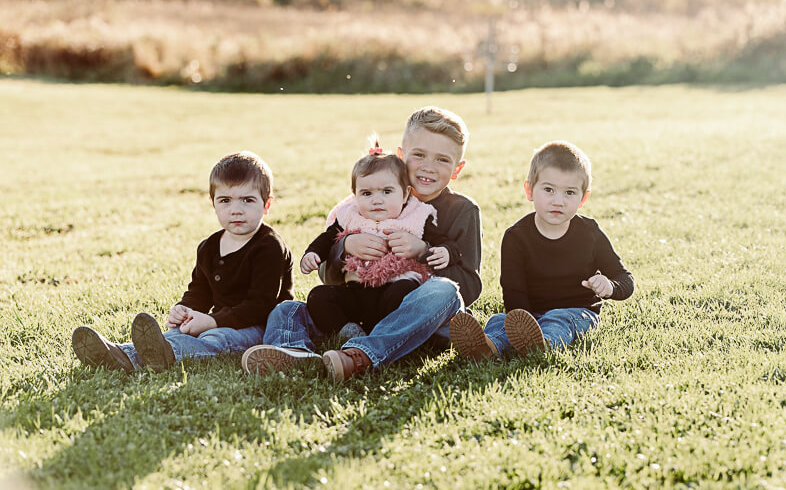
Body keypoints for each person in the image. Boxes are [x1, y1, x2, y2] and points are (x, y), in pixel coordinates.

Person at [242, 106, 482, 381]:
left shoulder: (463, 210)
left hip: (418, 318)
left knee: (445, 292)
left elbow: (470, 286)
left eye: (442, 160)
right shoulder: (363, 203)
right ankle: (293, 352)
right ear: (401, 156)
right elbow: (328, 278)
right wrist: (346, 247)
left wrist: (422, 252)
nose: (428, 167)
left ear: (457, 169)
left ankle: (363, 354)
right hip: (359, 312)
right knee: (287, 308)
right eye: (419, 155)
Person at [71, 151, 293, 372]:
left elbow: (260, 305)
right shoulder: (210, 247)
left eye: (247, 200)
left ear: (266, 204)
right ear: (213, 203)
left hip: (257, 327)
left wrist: (212, 321)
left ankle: (168, 354)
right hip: (217, 319)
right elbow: (200, 290)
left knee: (216, 338)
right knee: (177, 333)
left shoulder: (269, 247)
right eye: (225, 200)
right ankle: (121, 355)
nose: (236, 209)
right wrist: (186, 308)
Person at [450, 140, 634, 360]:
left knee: (557, 321)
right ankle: (488, 347)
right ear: (530, 190)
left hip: (576, 312)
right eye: (548, 190)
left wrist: (610, 287)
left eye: (569, 193)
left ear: (583, 198)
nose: (558, 201)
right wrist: (521, 320)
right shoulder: (516, 237)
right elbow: (513, 291)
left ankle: (542, 345)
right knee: (499, 321)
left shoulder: (590, 233)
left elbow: (625, 278)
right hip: (529, 314)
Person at [302, 137, 451, 342]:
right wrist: (312, 254)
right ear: (354, 195)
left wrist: (443, 251)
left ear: (405, 194)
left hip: (396, 289)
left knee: (405, 293)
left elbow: (441, 239)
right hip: (356, 291)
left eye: (387, 191)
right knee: (318, 296)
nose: (377, 200)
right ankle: (349, 332)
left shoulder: (415, 218)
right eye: (366, 193)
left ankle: (387, 333)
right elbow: (326, 239)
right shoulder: (350, 218)